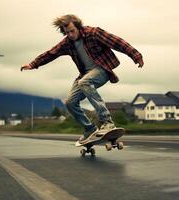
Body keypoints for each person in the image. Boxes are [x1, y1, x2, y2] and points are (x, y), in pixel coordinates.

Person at [21, 14, 144, 144]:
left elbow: (117, 42)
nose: (70, 35)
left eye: (72, 31)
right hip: (85, 74)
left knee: (85, 82)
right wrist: (33, 64)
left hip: (102, 70)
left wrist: (135, 55)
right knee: (70, 102)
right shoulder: (67, 43)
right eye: (67, 32)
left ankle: (107, 121)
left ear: (78, 27)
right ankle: (89, 128)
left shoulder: (93, 33)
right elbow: (51, 53)